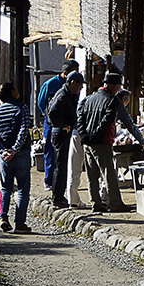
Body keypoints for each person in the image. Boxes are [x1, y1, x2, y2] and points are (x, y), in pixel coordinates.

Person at [77, 72, 144, 213]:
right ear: (112, 86)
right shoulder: (113, 101)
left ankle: (96, 203)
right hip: (102, 142)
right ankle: (115, 203)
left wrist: (85, 135)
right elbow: (116, 122)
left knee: (92, 175)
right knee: (108, 174)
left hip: (87, 143)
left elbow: (80, 118)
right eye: (117, 86)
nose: (118, 89)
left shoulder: (88, 98)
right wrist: (143, 142)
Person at [0, 82, 32, 234]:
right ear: (12, 92)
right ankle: (20, 223)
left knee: (3, 188)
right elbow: (24, 130)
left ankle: (2, 217)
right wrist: (15, 149)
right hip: (21, 153)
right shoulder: (21, 108)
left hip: (4, 156)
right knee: (22, 188)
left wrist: (3, 151)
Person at [37, 59, 79, 191]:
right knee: (50, 151)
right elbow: (41, 103)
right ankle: (49, 180)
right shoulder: (50, 84)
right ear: (65, 73)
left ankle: (62, 182)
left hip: (67, 123)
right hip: (51, 122)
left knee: (64, 154)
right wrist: (51, 118)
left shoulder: (73, 86)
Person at [48, 70, 84, 208]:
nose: (80, 88)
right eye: (79, 85)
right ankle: (57, 197)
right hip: (60, 133)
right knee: (60, 167)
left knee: (63, 166)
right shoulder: (62, 95)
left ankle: (59, 196)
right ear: (72, 83)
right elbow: (52, 113)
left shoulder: (70, 94)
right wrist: (63, 126)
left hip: (64, 131)